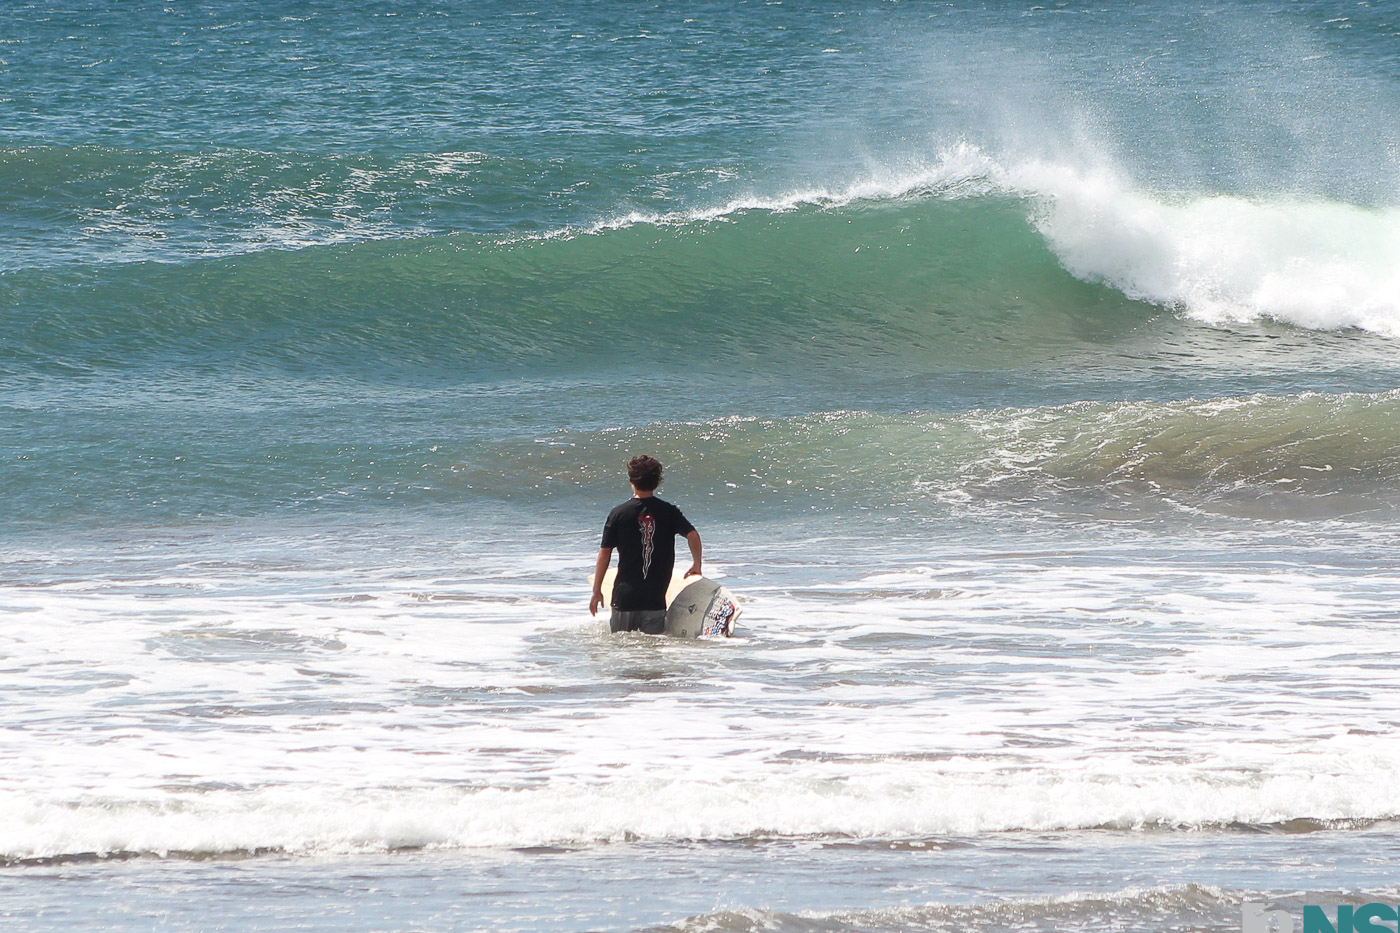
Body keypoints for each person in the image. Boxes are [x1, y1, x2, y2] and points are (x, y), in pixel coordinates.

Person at [590, 455, 702, 634]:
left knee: (622, 650)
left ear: (631, 481)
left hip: (624, 599)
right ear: (657, 482)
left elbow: (605, 554)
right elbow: (693, 535)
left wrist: (597, 591)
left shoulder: (618, 514)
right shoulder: (669, 512)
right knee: (650, 654)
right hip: (654, 600)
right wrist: (696, 564)